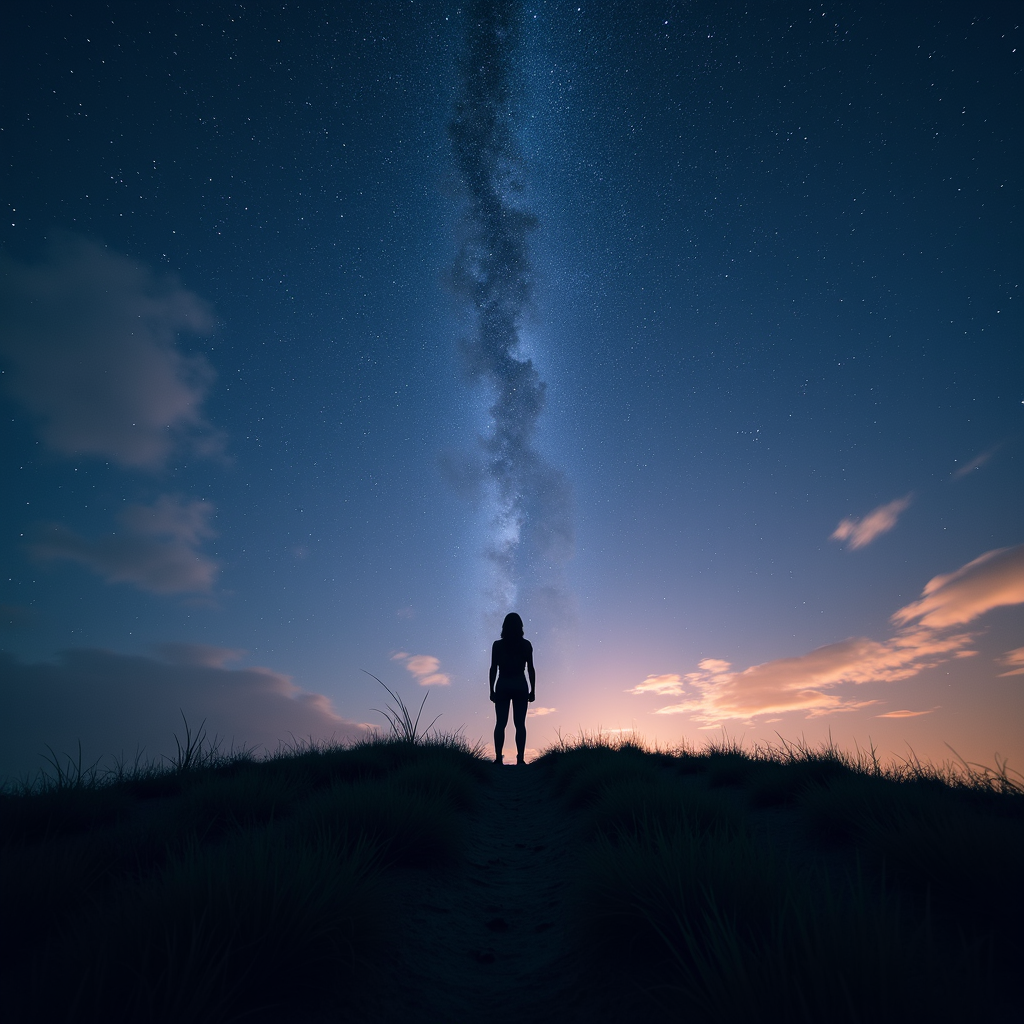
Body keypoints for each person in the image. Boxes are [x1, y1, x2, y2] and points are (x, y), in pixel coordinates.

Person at [489, 612, 535, 765]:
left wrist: (491, 690)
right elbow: (531, 669)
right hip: (520, 683)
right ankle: (520, 759)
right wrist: (533, 690)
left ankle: (498, 758)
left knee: (500, 723)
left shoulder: (497, 645)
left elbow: (493, 669)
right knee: (520, 724)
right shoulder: (526, 645)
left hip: (503, 683)